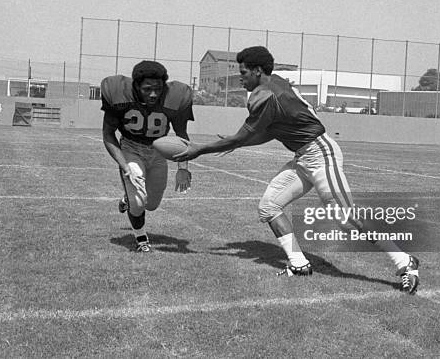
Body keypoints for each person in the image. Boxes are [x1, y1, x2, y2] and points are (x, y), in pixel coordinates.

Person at [174, 46, 420, 294]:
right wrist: (236, 143)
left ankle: (405, 262)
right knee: (269, 206)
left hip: (321, 154)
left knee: (347, 219)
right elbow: (268, 132)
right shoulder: (276, 82)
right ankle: (299, 264)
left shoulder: (265, 97)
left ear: (258, 71)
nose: (241, 77)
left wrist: (200, 149)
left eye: (244, 72)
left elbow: (244, 136)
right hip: (303, 157)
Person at [101, 61, 194, 252]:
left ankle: (127, 199)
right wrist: (125, 166)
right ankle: (141, 237)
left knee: (151, 204)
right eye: (147, 89)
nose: (153, 94)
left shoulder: (175, 97)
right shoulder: (119, 94)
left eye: (158, 89)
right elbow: (108, 134)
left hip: (158, 150)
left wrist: (183, 168)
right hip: (130, 148)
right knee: (138, 203)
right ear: (136, 86)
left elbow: (182, 136)